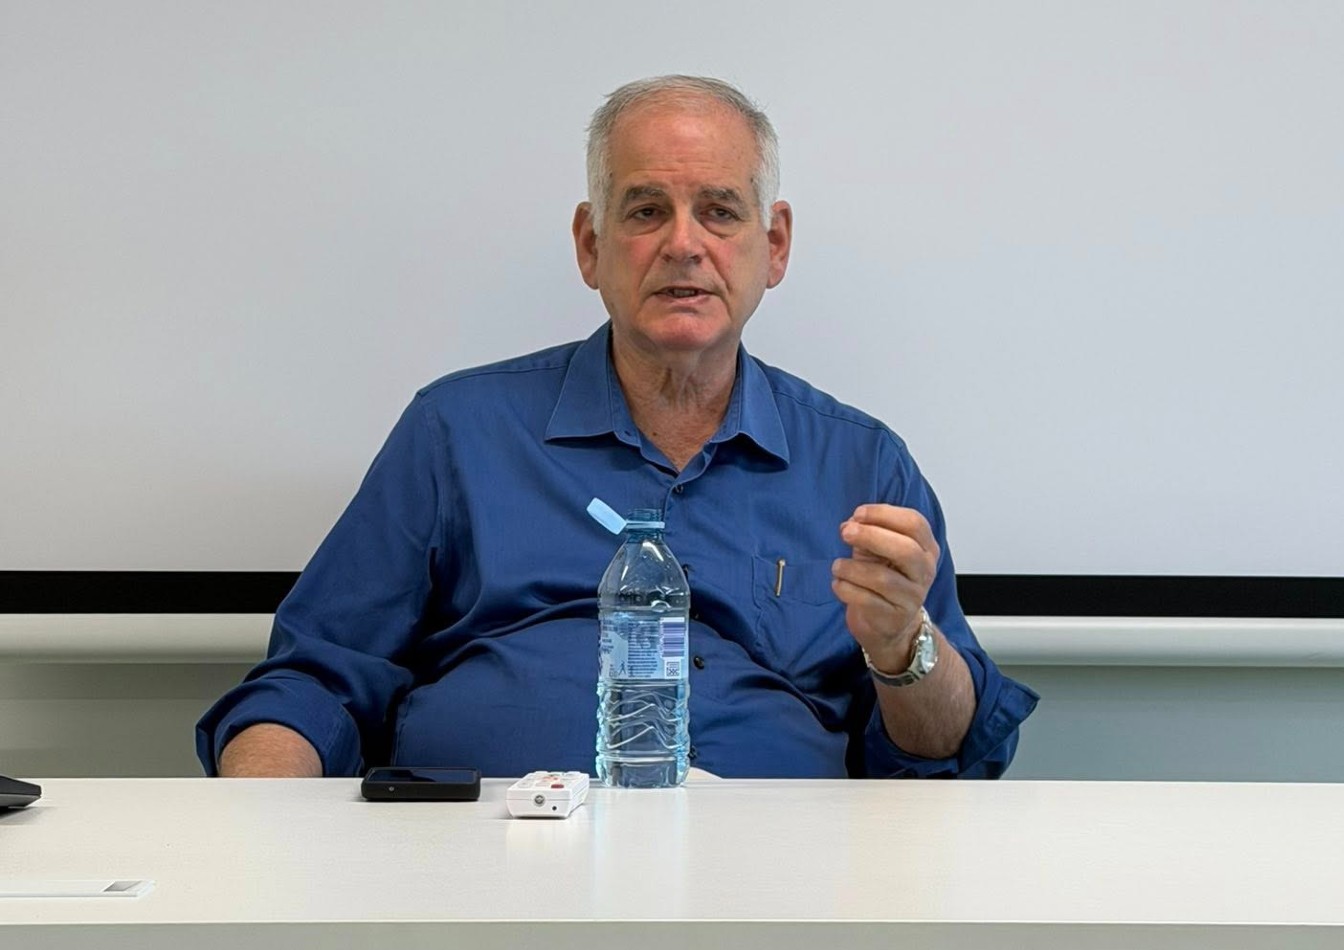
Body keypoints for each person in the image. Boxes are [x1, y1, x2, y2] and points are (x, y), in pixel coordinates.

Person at [197, 75, 1037, 780]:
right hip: (482, 870)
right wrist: (263, 837)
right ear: (590, 245)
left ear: (774, 245)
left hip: (771, 875)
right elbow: (311, 684)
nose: (683, 245)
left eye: (720, 211)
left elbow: (944, 755)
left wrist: (903, 650)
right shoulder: (457, 433)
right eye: (644, 211)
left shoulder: (860, 464)